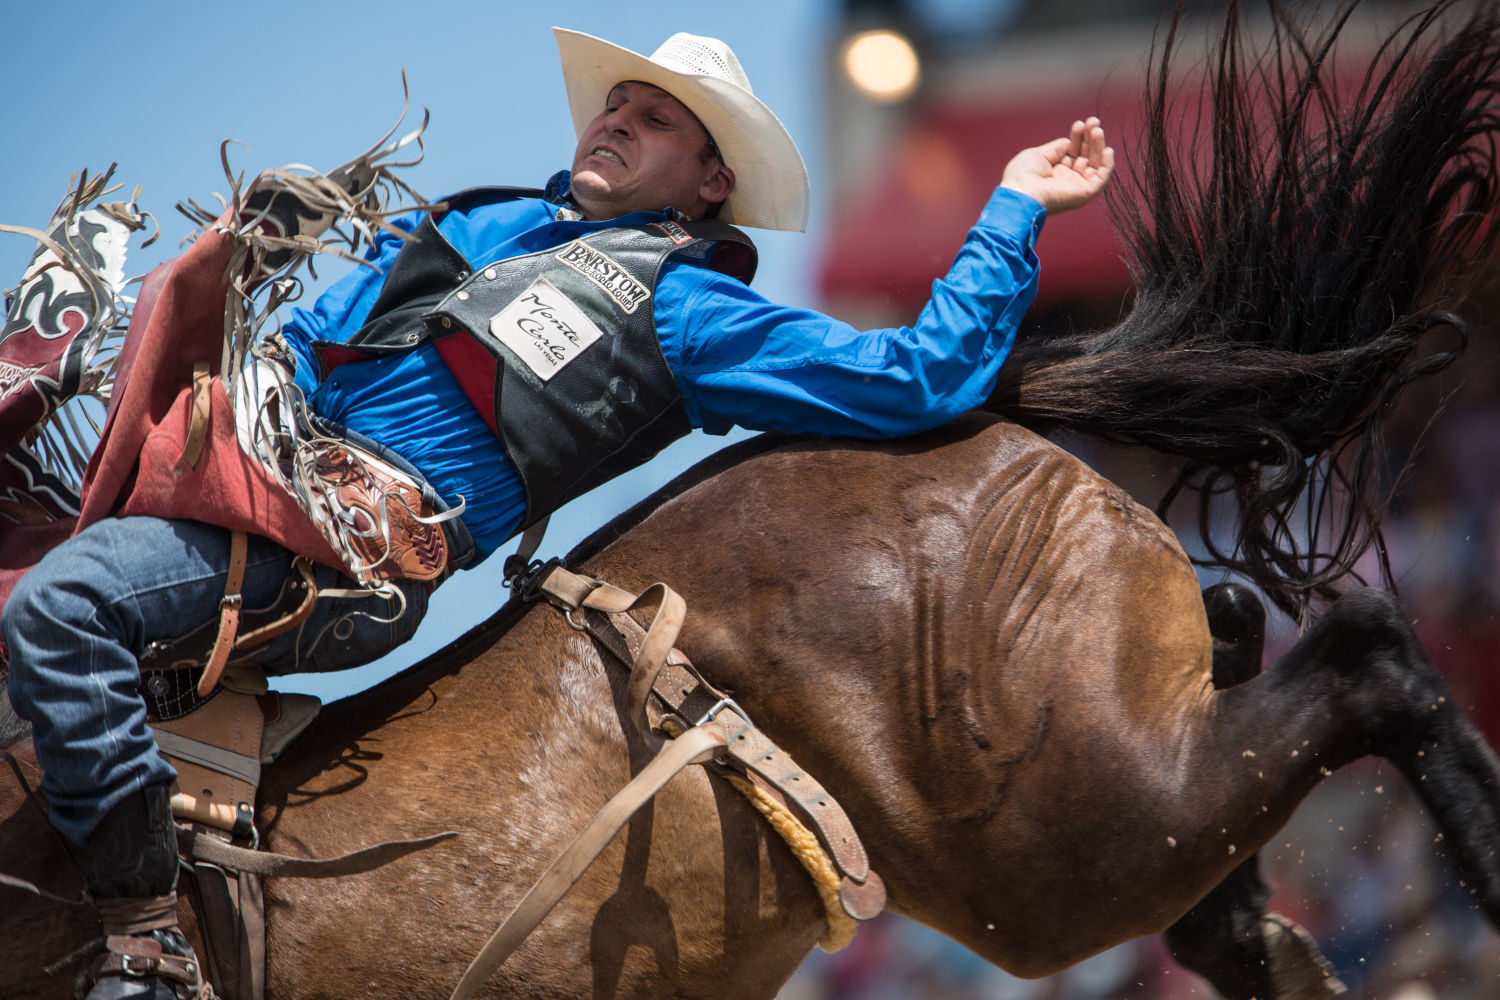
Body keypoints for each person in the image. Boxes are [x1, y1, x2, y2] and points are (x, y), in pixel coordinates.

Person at [1, 27, 1112, 1000]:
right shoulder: (469, 225)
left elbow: (917, 375)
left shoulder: (691, 306)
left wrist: (1015, 203)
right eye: (615, 107)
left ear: (710, 181)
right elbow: (302, 344)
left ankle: (142, 939)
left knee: (60, 616)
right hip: (238, 493)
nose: (616, 124)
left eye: (655, 120)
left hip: (342, 565)